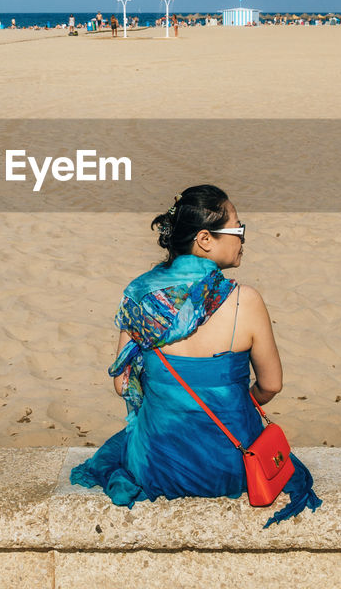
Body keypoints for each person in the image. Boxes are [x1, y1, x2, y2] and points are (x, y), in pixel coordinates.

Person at [70, 184, 320, 526]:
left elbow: (121, 385)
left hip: (158, 465)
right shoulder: (245, 300)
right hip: (234, 466)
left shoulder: (141, 296)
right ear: (205, 239)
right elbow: (272, 384)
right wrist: (228, 401)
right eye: (238, 229)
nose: (242, 238)